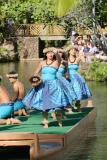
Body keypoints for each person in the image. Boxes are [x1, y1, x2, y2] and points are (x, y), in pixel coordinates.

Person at [23, 47, 72, 128]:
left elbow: (59, 58)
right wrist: (36, 79)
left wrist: (56, 52)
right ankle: (46, 122)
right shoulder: (42, 63)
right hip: (43, 85)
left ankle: (60, 122)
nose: (51, 54)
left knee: (57, 106)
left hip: (54, 86)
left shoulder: (57, 62)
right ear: (46, 54)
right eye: (49, 53)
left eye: (52, 53)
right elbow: (36, 73)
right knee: (44, 104)